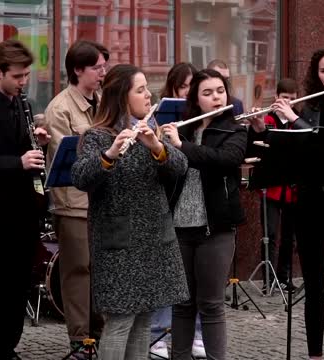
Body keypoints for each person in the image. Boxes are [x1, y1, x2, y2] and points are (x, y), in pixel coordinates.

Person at [251, 43, 324, 360]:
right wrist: (264, 129)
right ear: (317, 75)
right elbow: (294, 148)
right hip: (308, 203)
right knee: (313, 287)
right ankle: (314, 356)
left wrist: (291, 119)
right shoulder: (310, 108)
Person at [71, 64, 189, 359]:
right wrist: (109, 155)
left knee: (144, 319)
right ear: (122, 96)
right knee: (121, 321)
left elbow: (180, 168)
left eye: (147, 88)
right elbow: (81, 177)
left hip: (152, 240)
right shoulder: (97, 136)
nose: (149, 95)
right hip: (119, 244)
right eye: (140, 90)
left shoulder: (151, 130)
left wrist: (157, 146)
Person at [0, 38, 51, 360]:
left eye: (26, 75)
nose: (23, 82)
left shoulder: (22, 103)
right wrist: (16, 162)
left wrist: (36, 144)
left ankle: (8, 347)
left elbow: (21, 147)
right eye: (17, 76)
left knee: (17, 286)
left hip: (22, 212)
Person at [160, 68, 247, 360]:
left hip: (216, 229)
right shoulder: (183, 128)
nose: (215, 97)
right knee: (182, 303)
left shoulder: (234, 129)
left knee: (210, 304)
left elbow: (225, 161)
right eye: (207, 93)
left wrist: (181, 147)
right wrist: (160, 146)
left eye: (220, 91)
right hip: (180, 227)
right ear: (195, 98)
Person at [43, 39, 108, 357]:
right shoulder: (60, 108)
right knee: (78, 270)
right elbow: (68, 158)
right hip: (73, 202)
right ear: (78, 70)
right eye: (97, 67)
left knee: (100, 267)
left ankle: (100, 330)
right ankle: (80, 339)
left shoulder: (102, 100)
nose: (102, 72)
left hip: (101, 200)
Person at [148, 62, 206, 359]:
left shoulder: (202, 120)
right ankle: (157, 336)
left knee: (192, 275)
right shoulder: (159, 117)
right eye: (184, 87)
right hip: (168, 202)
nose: (188, 92)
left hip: (195, 204)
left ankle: (196, 332)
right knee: (165, 273)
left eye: (192, 87)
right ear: (173, 89)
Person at [257, 78, 299, 293]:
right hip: (271, 187)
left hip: (292, 189)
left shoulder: (297, 121)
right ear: (277, 98)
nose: (289, 103)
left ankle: (283, 277)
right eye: (285, 98)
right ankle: (268, 279)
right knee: (270, 234)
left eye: (292, 99)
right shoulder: (268, 119)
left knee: (289, 237)